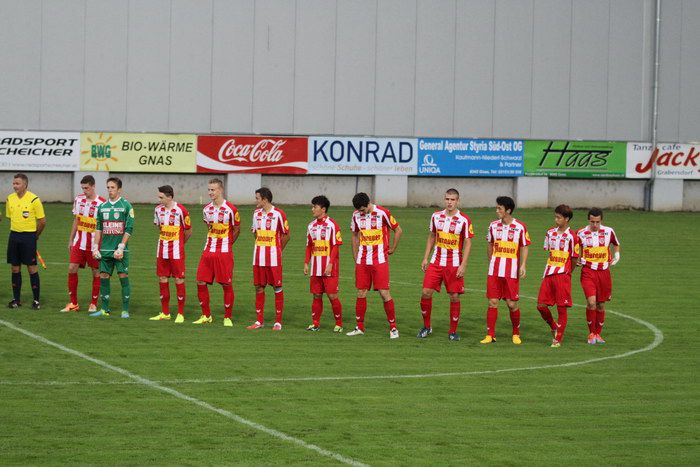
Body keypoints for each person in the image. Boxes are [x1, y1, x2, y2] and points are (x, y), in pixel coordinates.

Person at [418, 188, 474, 341]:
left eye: (452, 200)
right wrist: (425, 258)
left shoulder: (464, 220)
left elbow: (468, 243)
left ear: (458, 201)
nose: (449, 202)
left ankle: (453, 331)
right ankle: (426, 326)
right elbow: (432, 236)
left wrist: (463, 265)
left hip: (454, 263)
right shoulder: (436, 216)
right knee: (425, 292)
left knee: (454, 296)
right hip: (436, 261)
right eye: (447, 199)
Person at [346, 192, 402, 339]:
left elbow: (398, 230)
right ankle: (359, 327)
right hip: (363, 260)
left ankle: (393, 328)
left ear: (368, 203)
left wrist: (393, 248)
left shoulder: (383, 213)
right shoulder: (356, 215)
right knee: (361, 292)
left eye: (363, 210)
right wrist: (355, 255)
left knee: (384, 293)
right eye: (359, 211)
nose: (362, 213)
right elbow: (354, 235)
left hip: (380, 260)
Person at [481, 196, 530, 344]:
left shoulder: (520, 227)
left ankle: (516, 333)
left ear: (508, 210)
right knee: (492, 302)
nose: (497, 211)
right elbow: (490, 244)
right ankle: (490, 335)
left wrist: (523, 265)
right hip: (494, 270)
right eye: (497, 208)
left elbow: (524, 246)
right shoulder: (493, 225)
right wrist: (491, 261)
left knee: (512, 304)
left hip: (511, 271)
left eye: (499, 208)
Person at [193, 178, 240, 326]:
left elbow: (237, 229)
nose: (210, 192)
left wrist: (228, 244)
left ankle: (227, 317)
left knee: (226, 284)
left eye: (213, 190)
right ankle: (206, 315)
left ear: (220, 190)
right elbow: (209, 227)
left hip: (224, 252)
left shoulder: (231, 209)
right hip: (208, 250)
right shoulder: (206, 209)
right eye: (209, 190)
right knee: (200, 281)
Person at [89, 177, 134, 319]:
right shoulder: (102, 207)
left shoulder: (126, 206)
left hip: (121, 251)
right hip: (105, 250)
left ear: (119, 189)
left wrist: (121, 246)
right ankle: (104, 309)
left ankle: (125, 310)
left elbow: (129, 229)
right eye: (108, 187)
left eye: (112, 187)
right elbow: (98, 228)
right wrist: (95, 247)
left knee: (123, 277)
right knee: (103, 276)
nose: (110, 190)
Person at [61, 175, 106, 313]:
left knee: (96, 271)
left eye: (86, 188)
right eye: (83, 188)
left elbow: (104, 227)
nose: (84, 191)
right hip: (79, 242)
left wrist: (100, 245)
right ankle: (73, 303)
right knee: (71, 268)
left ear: (93, 186)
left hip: (94, 244)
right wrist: (71, 239)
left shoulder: (102, 203)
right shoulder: (78, 200)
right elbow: (76, 220)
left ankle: (93, 303)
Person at [536, 205, 579, 348]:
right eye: (555, 217)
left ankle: (558, 339)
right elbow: (549, 251)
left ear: (566, 219)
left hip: (562, 275)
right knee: (541, 306)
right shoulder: (549, 233)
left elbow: (574, 258)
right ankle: (554, 326)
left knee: (562, 308)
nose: (556, 220)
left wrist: (567, 272)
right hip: (549, 273)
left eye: (559, 217)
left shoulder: (572, 236)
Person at [247, 187, 289, 331]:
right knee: (259, 287)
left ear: (265, 199)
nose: (256, 201)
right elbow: (255, 233)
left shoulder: (279, 214)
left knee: (277, 287)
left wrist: (277, 250)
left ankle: (278, 322)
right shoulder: (256, 214)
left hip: (273, 259)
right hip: (258, 257)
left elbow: (286, 235)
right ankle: (259, 321)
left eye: (257, 198)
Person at [577, 207, 620, 344]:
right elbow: (574, 249)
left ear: (601, 221)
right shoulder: (581, 233)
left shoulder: (609, 231)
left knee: (601, 305)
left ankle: (598, 334)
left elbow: (616, 244)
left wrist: (617, 255)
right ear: (588, 220)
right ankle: (591, 334)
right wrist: (576, 259)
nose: (595, 225)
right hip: (588, 271)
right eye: (592, 222)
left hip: (604, 272)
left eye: (597, 222)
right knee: (591, 303)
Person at [150, 185, 192, 323]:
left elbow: (188, 231)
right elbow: (160, 227)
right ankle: (165, 312)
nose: (159, 200)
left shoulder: (181, 210)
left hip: (176, 251)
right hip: (161, 250)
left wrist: (179, 244)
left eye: (161, 197)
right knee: (162, 278)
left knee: (179, 279)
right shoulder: (157, 210)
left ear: (169, 197)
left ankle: (180, 313)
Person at [5, 173, 46, 309]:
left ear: (25, 185)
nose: (14, 186)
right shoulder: (9, 199)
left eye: (17, 183)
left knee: (31, 268)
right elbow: (10, 217)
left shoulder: (34, 200)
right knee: (15, 268)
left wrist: (35, 236)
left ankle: (36, 301)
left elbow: (42, 222)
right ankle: (16, 300)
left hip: (29, 237)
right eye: (14, 183)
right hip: (14, 236)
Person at [303, 195, 343, 332]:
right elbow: (309, 246)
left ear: (323, 209)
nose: (312, 209)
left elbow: (336, 246)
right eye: (312, 206)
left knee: (332, 295)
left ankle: (339, 324)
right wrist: (306, 262)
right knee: (316, 295)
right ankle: (315, 323)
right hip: (316, 267)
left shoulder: (332, 225)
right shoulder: (311, 226)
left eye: (315, 207)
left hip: (329, 267)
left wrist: (331, 264)